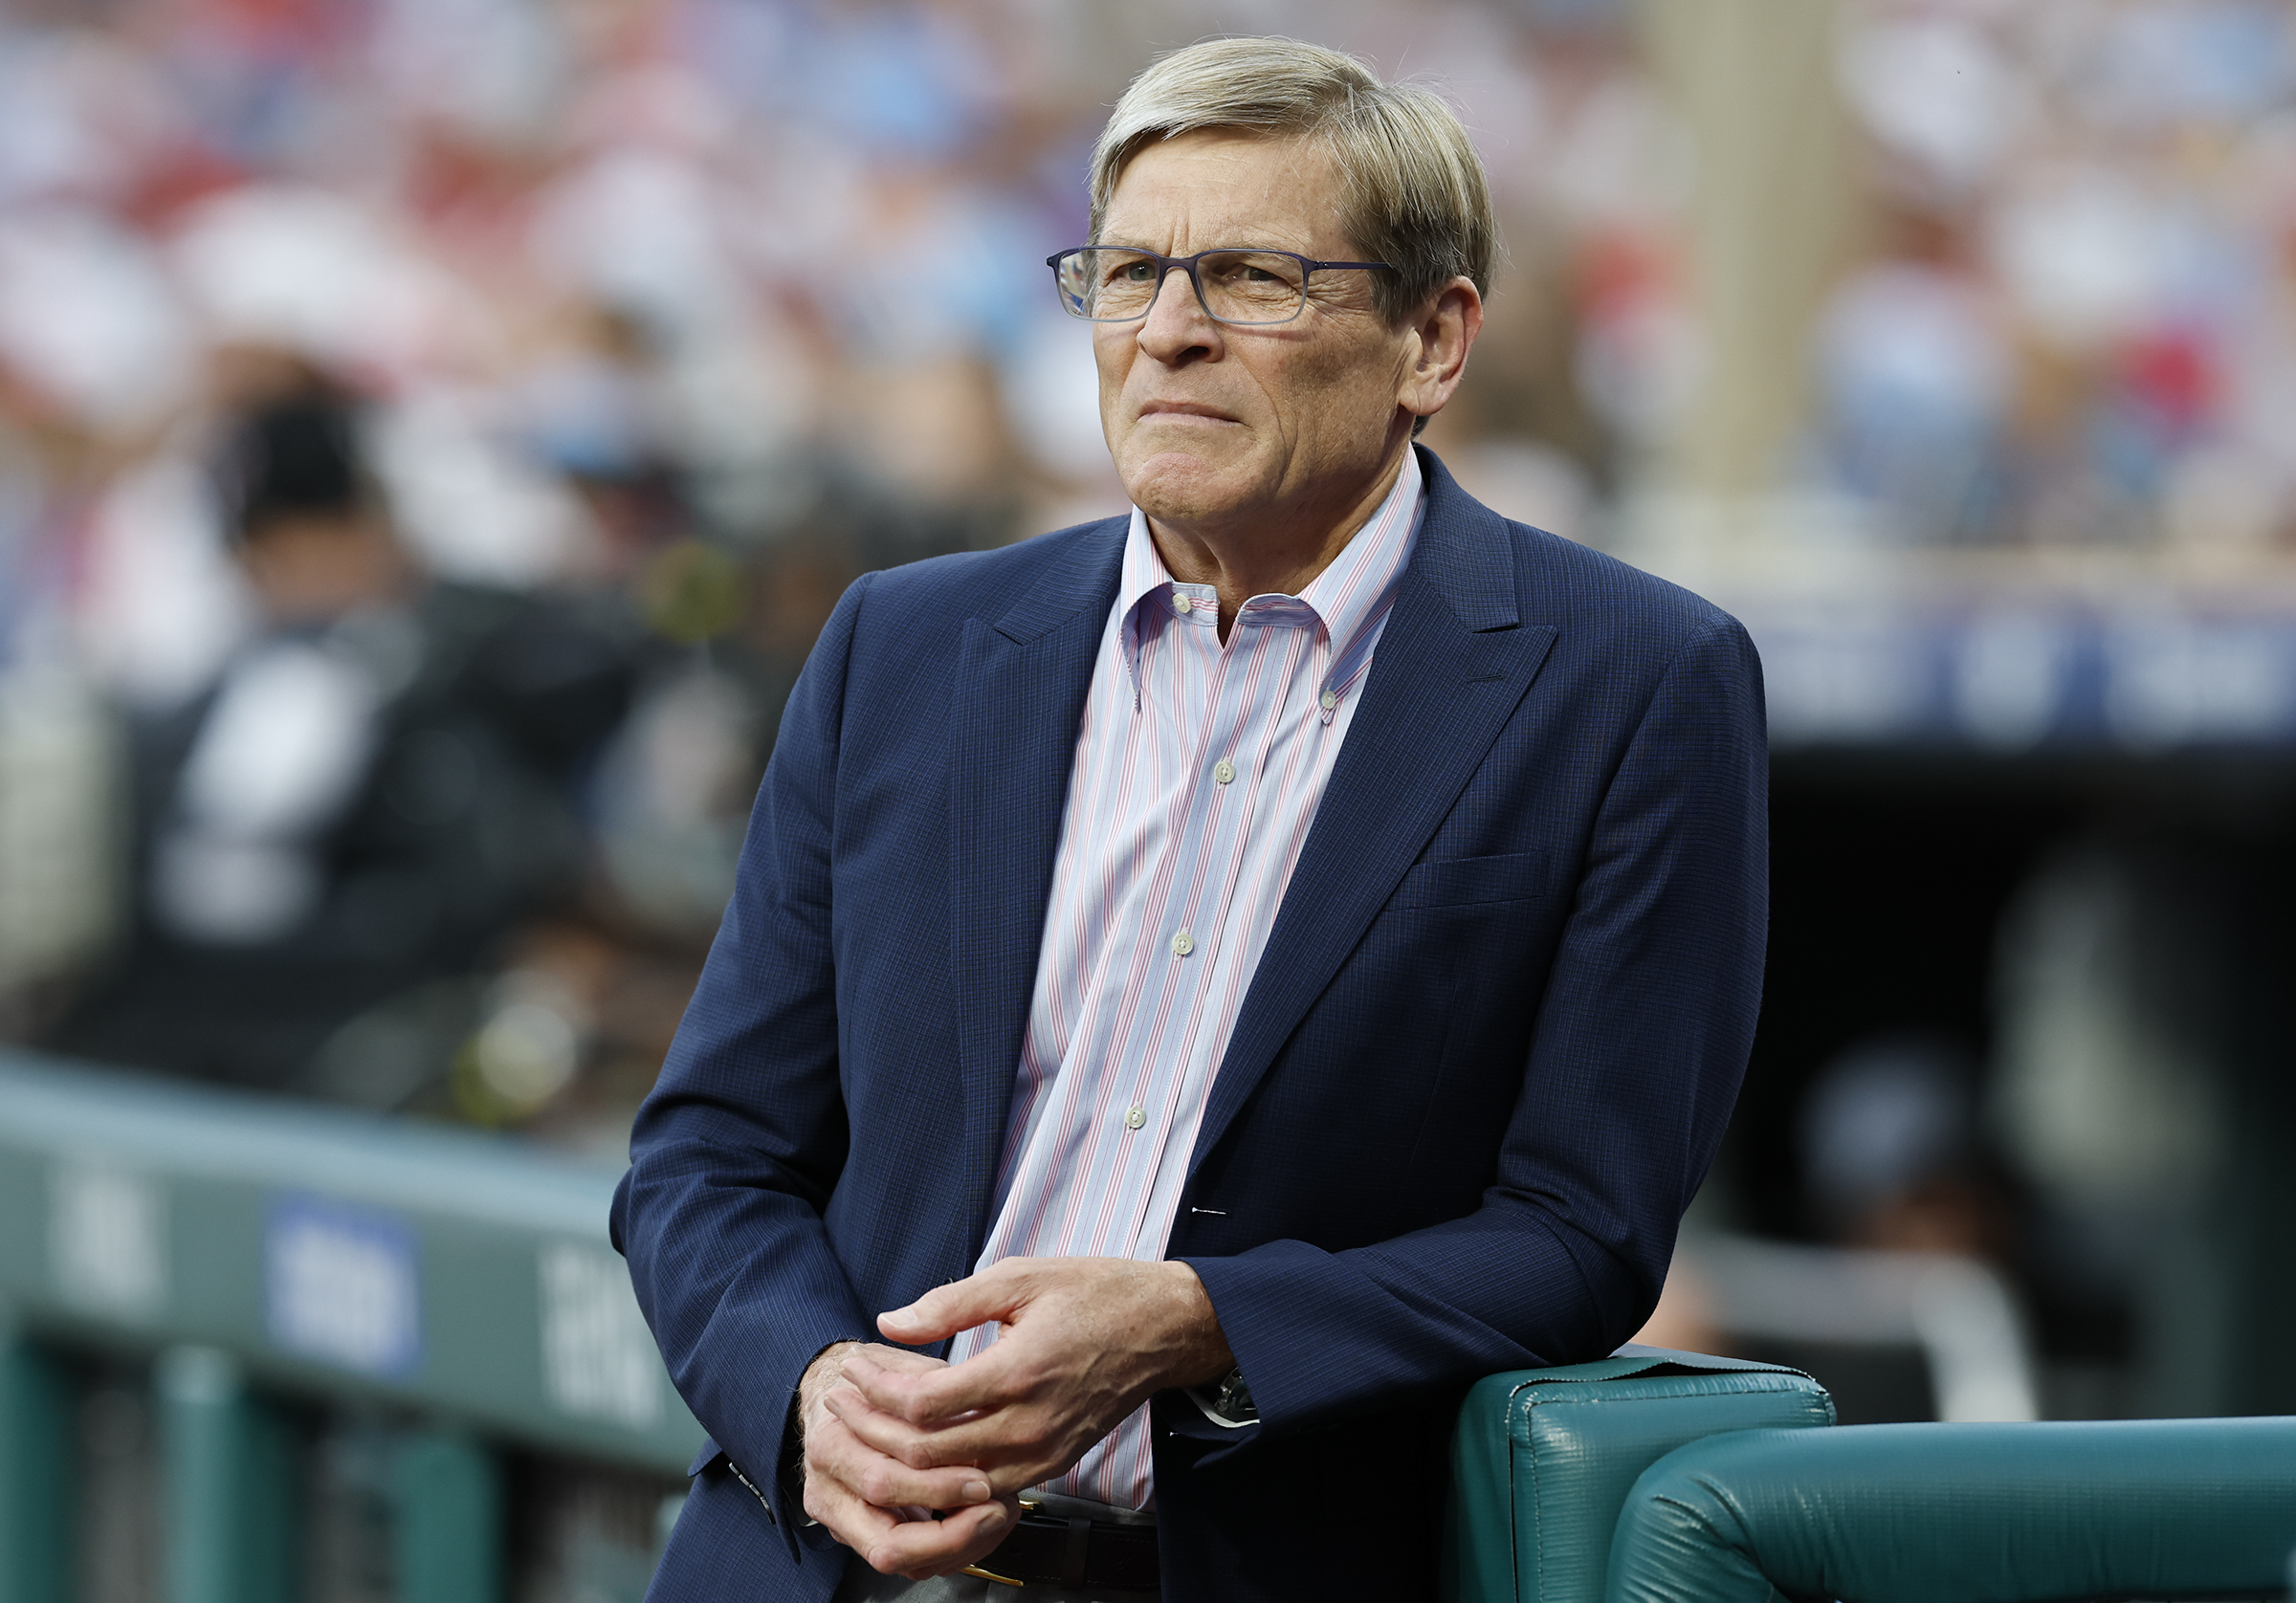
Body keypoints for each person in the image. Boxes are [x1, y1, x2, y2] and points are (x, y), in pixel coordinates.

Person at [614, 37, 1765, 1603]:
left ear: (1433, 340)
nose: (1168, 331)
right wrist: (810, 1390)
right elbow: (708, 1152)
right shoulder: (905, 644)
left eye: (1254, 278)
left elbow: (1579, 1230)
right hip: (825, 1568)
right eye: (1129, 274)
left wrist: (1203, 1323)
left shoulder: (1636, 680)